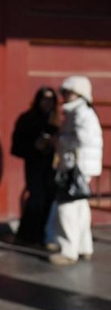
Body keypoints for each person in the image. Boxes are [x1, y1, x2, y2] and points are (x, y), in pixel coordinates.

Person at [48, 75, 103, 266]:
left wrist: (59, 141)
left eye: (69, 92)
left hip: (75, 166)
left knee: (67, 207)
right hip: (81, 166)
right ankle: (83, 247)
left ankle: (68, 250)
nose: (65, 96)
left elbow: (84, 140)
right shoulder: (79, 111)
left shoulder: (80, 112)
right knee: (80, 206)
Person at [10, 86, 59, 246]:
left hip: (54, 166)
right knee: (37, 198)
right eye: (44, 98)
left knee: (51, 198)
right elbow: (16, 146)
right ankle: (28, 236)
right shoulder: (27, 119)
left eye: (51, 99)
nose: (48, 102)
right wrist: (35, 145)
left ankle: (45, 234)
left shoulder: (57, 119)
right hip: (35, 164)